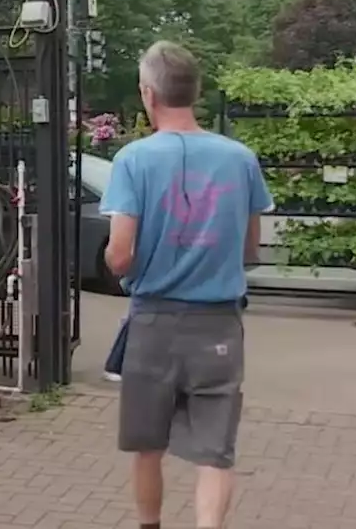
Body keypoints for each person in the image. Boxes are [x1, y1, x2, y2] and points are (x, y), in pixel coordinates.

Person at [100, 41, 273, 529]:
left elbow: (119, 254)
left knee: (146, 447)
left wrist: (130, 267)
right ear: (195, 91)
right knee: (215, 453)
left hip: (153, 323)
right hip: (218, 324)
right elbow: (250, 249)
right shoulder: (240, 158)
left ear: (147, 93)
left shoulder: (133, 160)